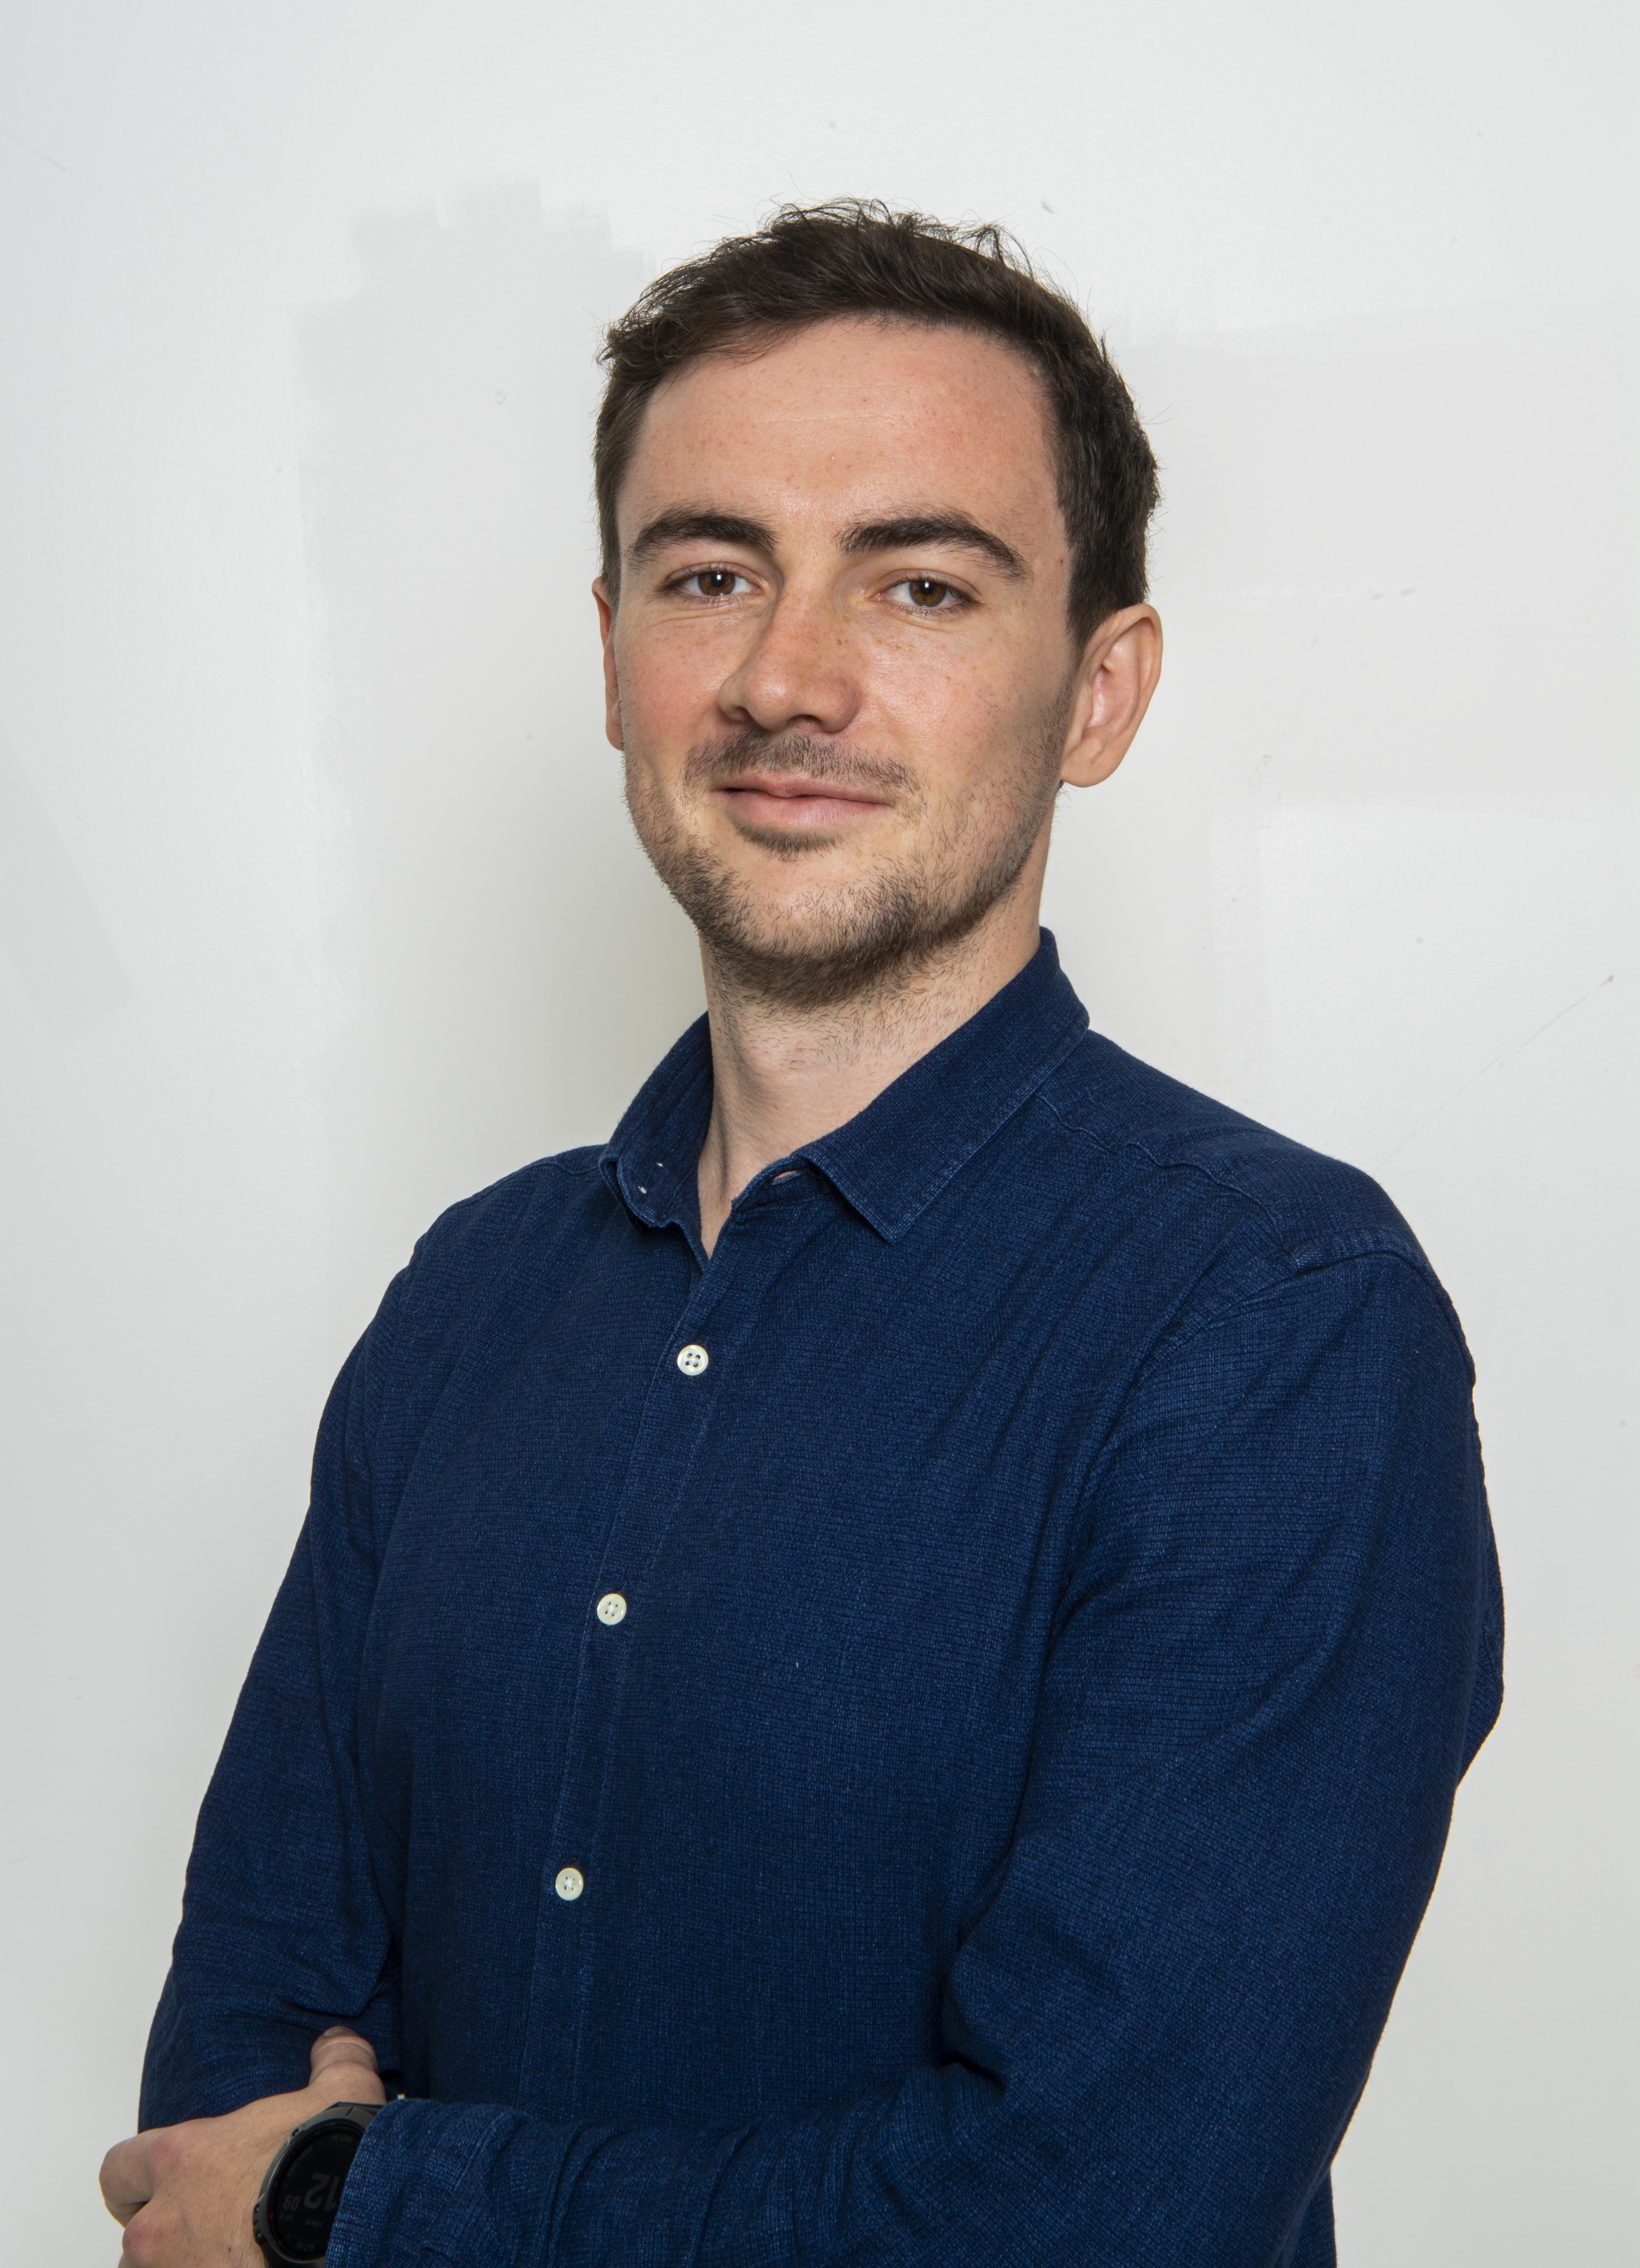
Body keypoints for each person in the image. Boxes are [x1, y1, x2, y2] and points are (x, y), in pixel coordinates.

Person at [102, 201, 1503, 2268]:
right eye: (708, 571)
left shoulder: (1274, 1324)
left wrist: (369, 2201)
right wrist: (293, 2190)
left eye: (919, 582)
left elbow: (1096, 2208)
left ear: (1098, 690)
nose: (786, 675)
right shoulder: (468, 1300)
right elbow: (218, 2125)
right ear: (607, 654)